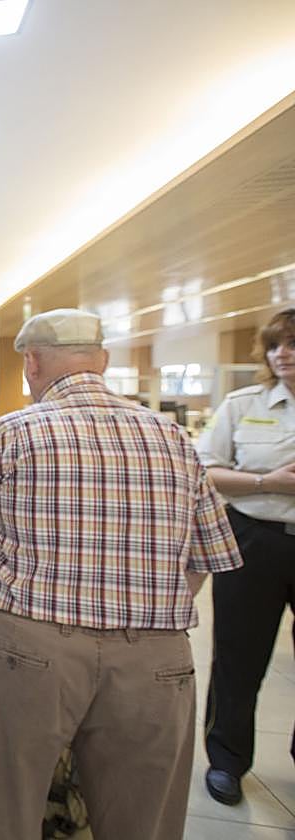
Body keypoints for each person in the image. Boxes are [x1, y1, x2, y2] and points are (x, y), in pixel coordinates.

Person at [0, 308, 242, 840]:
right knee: (140, 822)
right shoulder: (174, 439)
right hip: (155, 661)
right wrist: (142, 609)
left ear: (31, 363)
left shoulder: (11, 432)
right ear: (104, 359)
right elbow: (207, 557)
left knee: (5, 813)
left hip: (31, 651)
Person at [195, 307, 295, 807]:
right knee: (237, 655)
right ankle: (227, 761)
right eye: (276, 345)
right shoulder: (243, 404)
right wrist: (266, 482)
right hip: (255, 536)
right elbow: (206, 471)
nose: (283, 354)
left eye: (293, 344)